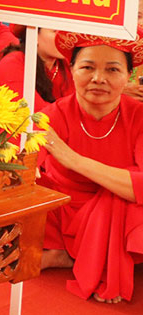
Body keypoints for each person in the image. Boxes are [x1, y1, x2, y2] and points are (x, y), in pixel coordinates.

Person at [37, 29, 143, 304]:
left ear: (128, 76)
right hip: (65, 211)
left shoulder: (139, 116)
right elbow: (17, 171)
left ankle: (77, 256)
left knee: (119, 199)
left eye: (112, 69)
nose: (99, 78)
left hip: (123, 213)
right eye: (87, 67)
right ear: (71, 70)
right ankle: (82, 254)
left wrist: (74, 160)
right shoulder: (53, 115)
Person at [0, 27, 73, 107]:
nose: (65, 38)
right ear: (34, 35)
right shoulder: (11, 64)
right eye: (55, 31)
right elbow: (34, 112)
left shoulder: (66, 64)